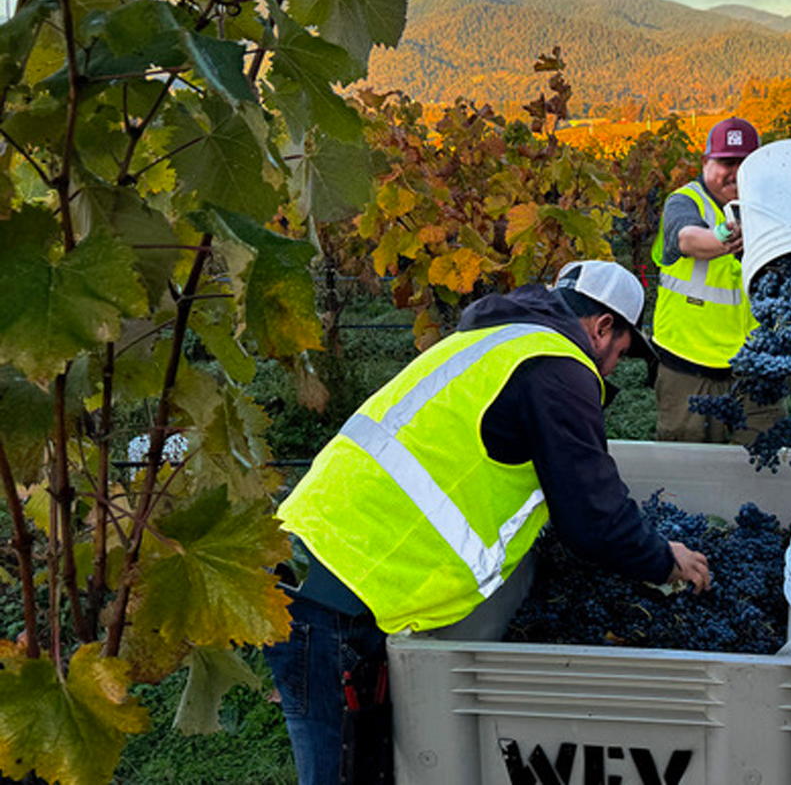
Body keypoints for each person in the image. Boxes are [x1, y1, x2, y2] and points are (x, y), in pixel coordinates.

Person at [264, 260, 712, 785]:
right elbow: (594, 519)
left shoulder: (496, 342)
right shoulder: (558, 366)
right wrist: (663, 558)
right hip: (336, 591)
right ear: (603, 326)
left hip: (317, 558)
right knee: (338, 773)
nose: (614, 368)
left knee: (360, 765)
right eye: (623, 352)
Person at [650, 116, 780, 443]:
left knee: (762, 473)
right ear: (706, 162)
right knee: (688, 478)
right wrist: (726, 235)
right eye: (726, 162)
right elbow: (688, 239)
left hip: (756, 372)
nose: (735, 173)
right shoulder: (686, 202)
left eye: (745, 163)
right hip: (689, 371)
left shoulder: (773, 209)